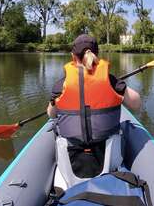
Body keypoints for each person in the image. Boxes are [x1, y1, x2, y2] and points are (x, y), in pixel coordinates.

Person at [47, 34, 141, 189]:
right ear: (96, 54)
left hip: (71, 153)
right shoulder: (111, 80)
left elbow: (51, 114)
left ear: (73, 56)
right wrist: (118, 85)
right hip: (108, 154)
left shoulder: (61, 84)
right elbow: (136, 103)